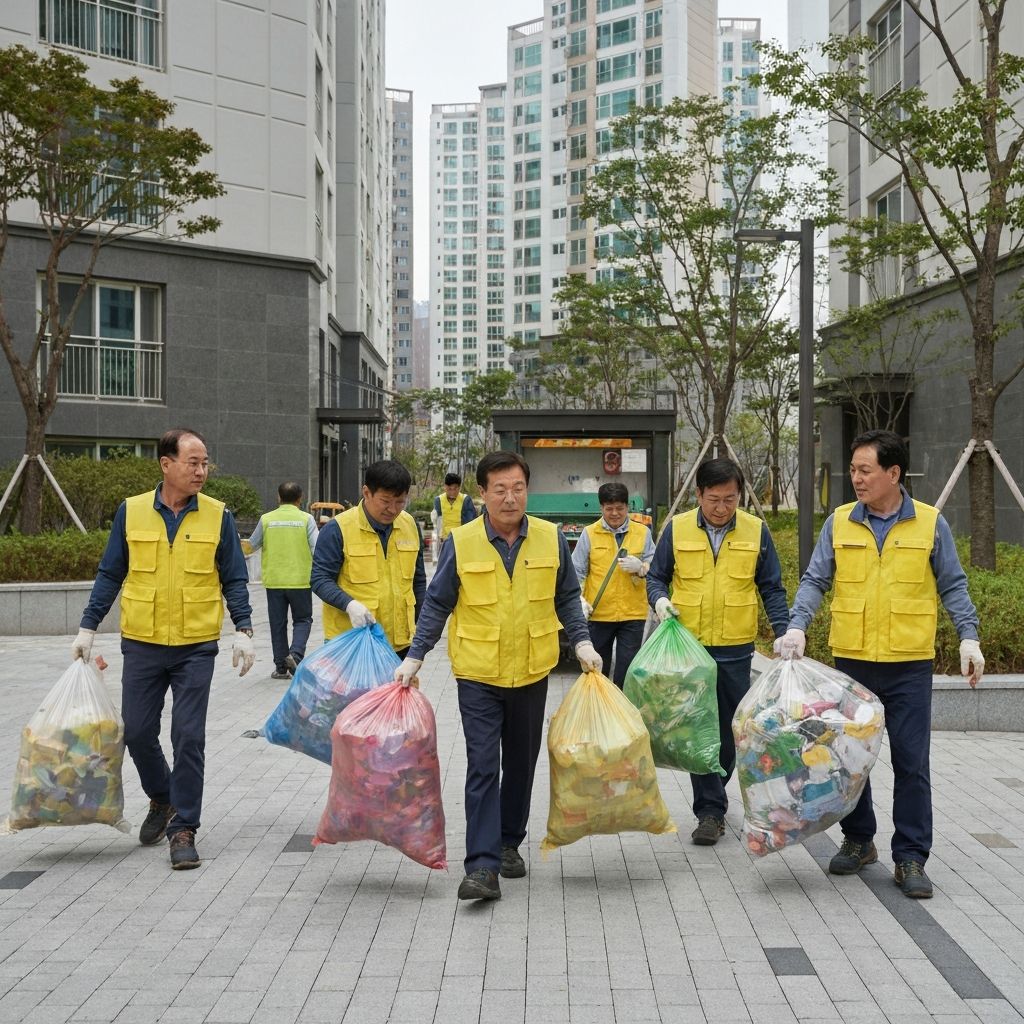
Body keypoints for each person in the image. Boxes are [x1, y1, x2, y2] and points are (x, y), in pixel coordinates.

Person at [777, 429, 984, 899]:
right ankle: (859, 840)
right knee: (850, 761)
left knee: (912, 763)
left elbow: (953, 585)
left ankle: (910, 857)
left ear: (894, 473)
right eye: (853, 470)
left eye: (864, 470)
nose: (856, 479)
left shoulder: (931, 523)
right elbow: (814, 578)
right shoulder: (840, 522)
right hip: (852, 661)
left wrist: (968, 637)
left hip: (908, 664)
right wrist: (797, 624)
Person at [394, 451, 601, 902]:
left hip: (531, 670)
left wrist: (581, 641)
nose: (510, 498)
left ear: (528, 490)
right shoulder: (463, 541)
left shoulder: (549, 538)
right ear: (482, 494)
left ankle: (509, 843)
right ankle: (482, 866)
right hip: (478, 672)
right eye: (500, 490)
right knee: (484, 765)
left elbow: (567, 596)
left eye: (518, 488)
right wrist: (416, 656)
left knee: (522, 765)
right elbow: (437, 602)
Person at [71, 428, 255, 870]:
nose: (201, 471)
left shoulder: (217, 515)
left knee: (188, 736)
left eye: (205, 463)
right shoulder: (131, 512)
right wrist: (87, 627)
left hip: (195, 645)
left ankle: (184, 828)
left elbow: (233, 577)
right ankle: (162, 796)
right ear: (166, 464)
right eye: (193, 462)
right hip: (143, 642)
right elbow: (111, 572)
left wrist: (244, 628)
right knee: (136, 731)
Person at [646, 457, 789, 847]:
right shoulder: (676, 530)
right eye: (714, 499)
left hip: (735, 648)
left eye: (730, 499)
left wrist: (783, 631)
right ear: (698, 495)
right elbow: (656, 577)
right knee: (698, 731)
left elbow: (772, 587)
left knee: (729, 732)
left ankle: (719, 789)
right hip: (689, 648)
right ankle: (709, 811)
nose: (722, 508)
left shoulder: (756, 531)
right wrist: (659, 601)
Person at [310, 459, 426, 656]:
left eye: (400, 502)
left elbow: (418, 580)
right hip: (352, 642)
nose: (393, 509)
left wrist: (422, 629)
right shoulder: (338, 529)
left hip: (399, 644)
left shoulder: (410, 526)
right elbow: (320, 579)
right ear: (366, 493)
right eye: (385, 501)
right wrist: (349, 604)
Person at [572, 481, 655, 687]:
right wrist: (579, 600)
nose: (615, 513)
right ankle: (597, 712)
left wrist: (642, 567)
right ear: (601, 508)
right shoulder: (589, 534)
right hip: (599, 613)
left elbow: (655, 567)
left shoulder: (642, 533)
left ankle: (621, 714)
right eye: (609, 509)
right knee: (596, 670)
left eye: (620, 508)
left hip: (632, 614)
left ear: (627, 507)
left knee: (627, 673)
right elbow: (576, 572)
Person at [246, 482, 317, 679]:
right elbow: (316, 549)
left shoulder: (267, 519)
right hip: (300, 580)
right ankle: (295, 654)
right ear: (300, 499)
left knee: (277, 624)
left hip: (274, 582)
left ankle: (280, 668)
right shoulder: (306, 519)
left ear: (278, 497)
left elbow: (251, 545)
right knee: (303, 620)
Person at [432, 472, 477, 548]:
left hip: (461, 541)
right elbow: (437, 522)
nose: (452, 492)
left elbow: (470, 523)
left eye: (455, 488)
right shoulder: (438, 500)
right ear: (445, 487)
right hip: (444, 541)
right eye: (449, 489)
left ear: (459, 487)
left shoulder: (465, 500)